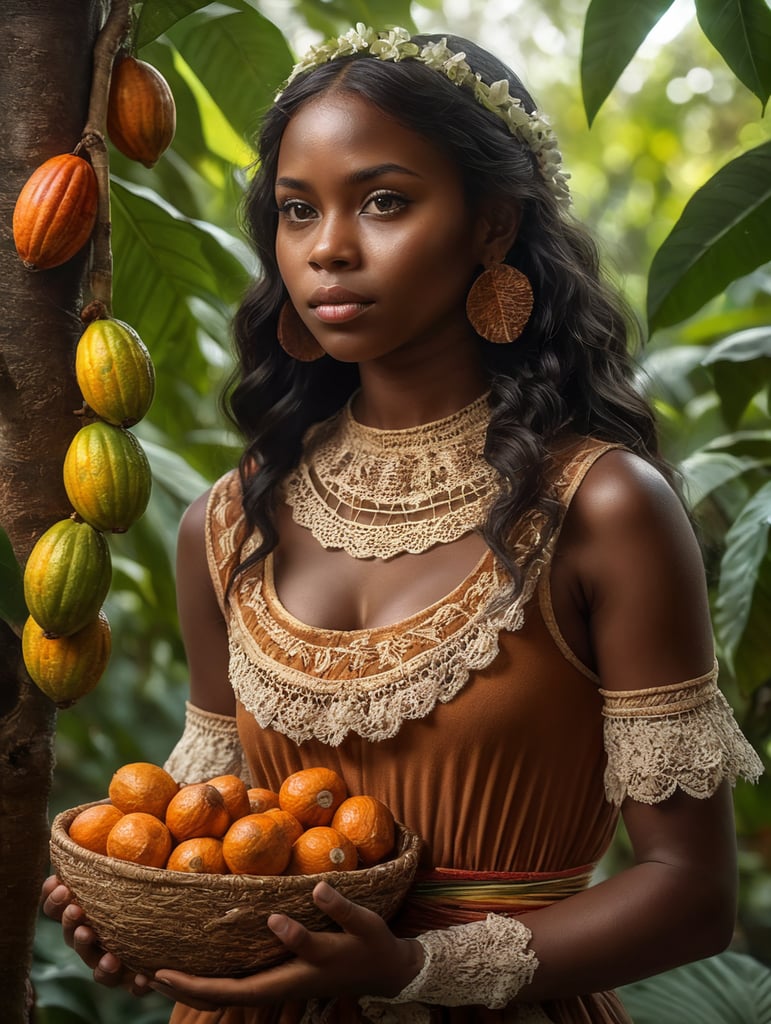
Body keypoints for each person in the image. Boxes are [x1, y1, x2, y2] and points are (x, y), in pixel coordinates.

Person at [43, 23, 763, 1024]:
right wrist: (155, 916)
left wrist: (414, 971)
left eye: (384, 201)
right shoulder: (228, 518)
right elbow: (219, 834)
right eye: (298, 211)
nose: (330, 247)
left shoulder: (601, 506)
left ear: (493, 226)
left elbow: (693, 894)